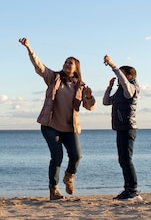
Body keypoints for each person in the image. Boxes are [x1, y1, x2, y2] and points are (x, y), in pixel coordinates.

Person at [19, 37, 96, 200]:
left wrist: (89, 97)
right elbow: (39, 67)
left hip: (70, 129)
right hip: (50, 126)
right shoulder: (53, 78)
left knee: (76, 156)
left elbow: (90, 107)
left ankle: (69, 177)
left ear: (76, 69)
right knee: (57, 156)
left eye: (70, 63)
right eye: (65, 62)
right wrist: (29, 48)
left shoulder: (80, 86)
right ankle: (54, 189)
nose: (66, 64)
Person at [102, 54, 141, 201]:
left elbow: (124, 83)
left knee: (126, 160)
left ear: (129, 76)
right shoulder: (120, 91)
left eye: (122, 75)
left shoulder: (131, 89)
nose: (120, 78)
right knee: (123, 160)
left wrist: (113, 65)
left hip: (128, 128)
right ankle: (128, 189)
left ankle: (133, 191)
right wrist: (109, 87)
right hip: (120, 128)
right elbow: (106, 102)